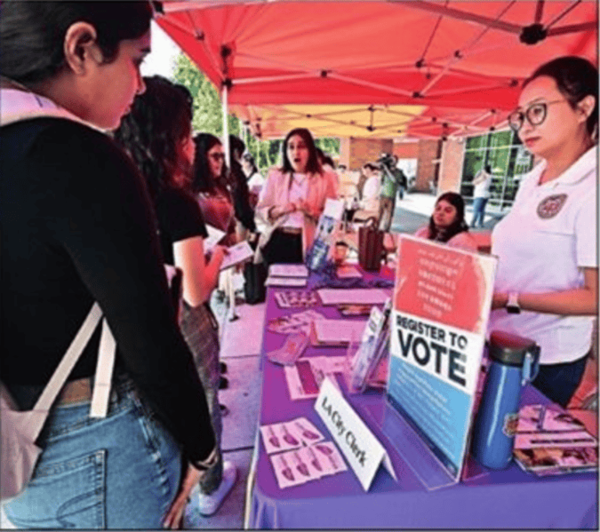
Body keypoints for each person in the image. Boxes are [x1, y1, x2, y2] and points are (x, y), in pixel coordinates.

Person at [0, 2, 216, 529]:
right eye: (137, 60)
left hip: (15, 446)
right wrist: (202, 447)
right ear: (80, 48)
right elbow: (149, 337)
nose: (140, 85)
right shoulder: (75, 154)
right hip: (96, 441)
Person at [114, 76, 237, 518]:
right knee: (202, 403)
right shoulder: (175, 202)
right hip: (183, 322)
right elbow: (195, 289)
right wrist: (219, 254)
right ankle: (210, 485)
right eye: (187, 136)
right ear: (172, 139)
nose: (192, 148)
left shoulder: (116, 190)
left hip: (137, 327)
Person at [490, 56, 598, 407]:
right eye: (520, 115)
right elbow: (530, 242)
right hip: (502, 341)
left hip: (545, 359)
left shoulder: (591, 187)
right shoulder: (533, 178)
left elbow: (595, 296)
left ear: (583, 108)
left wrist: (512, 299)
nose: (524, 126)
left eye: (538, 111)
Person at [256, 127, 338, 266]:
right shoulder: (275, 176)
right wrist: (282, 209)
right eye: (291, 147)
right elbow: (260, 212)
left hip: (309, 242)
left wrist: (311, 211)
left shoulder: (325, 178)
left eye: (301, 147)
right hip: (279, 239)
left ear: (310, 151)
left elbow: (333, 219)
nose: (296, 152)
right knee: (278, 285)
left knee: (306, 285)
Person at [192, 133, 238, 246]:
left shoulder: (223, 188)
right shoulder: (190, 190)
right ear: (202, 158)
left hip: (227, 254)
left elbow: (231, 229)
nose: (220, 161)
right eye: (215, 156)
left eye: (222, 156)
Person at [229, 134, 257, 240]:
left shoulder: (229, 173)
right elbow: (241, 202)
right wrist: (251, 224)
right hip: (239, 221)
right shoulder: (236, 174)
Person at [377, 153, 405, 231]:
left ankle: (386, 230)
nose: (392, 162)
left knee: (389, 215)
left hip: (391, 196)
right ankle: (376, 228)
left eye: (394, 161)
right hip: (383, 195)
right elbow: (381, 182)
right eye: (391, 160)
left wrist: (386, 169)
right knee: (379, 214)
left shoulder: (399, 172)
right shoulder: (385, 172)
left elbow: (394, 180)